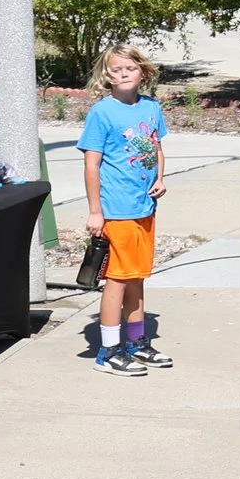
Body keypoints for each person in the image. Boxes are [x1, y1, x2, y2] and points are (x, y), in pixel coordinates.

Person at [77, 44, 170, 376]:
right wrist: (95, 211)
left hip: (144, 207)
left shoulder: (151, 108)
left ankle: (136, 342)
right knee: (116, 280)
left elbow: (155, 148)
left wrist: (159, 178)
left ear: (142, 71)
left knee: (136, 279)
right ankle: (108, 350)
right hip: (116, 211)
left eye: (129, 69)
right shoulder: (102, 113)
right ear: (107, 76)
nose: (122, 74)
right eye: (115, 70)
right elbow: (92, 166)